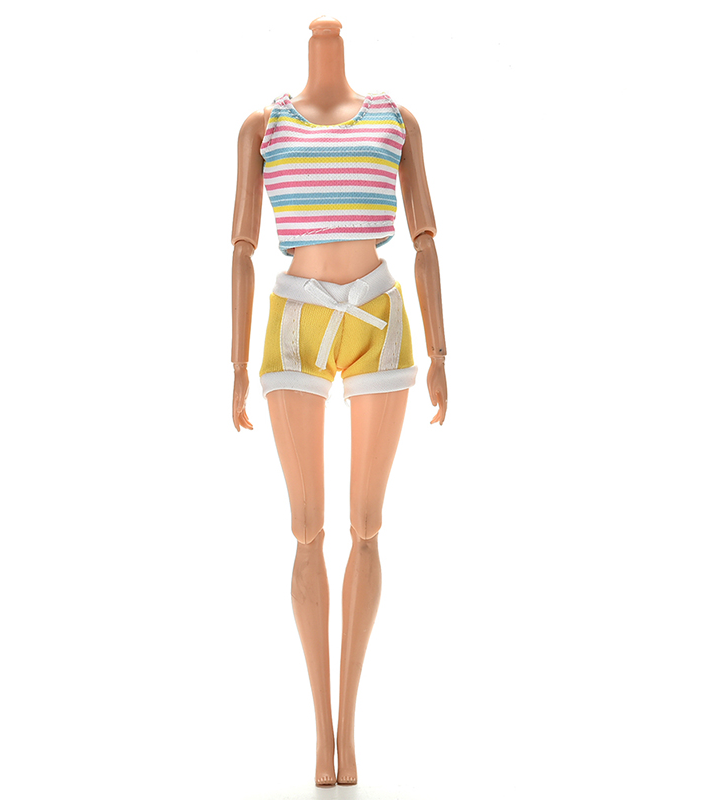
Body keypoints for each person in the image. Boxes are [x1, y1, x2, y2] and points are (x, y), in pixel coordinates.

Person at [229, 15, 448, 787]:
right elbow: (241, 248)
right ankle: (317, 733)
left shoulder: (396, 120)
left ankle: (346, 735)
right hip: (295, 319)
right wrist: (235, 362)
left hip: (379, 316)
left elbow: (426, 240)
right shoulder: (264, 126)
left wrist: (442, 352)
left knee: (366, 526)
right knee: (305, 529)